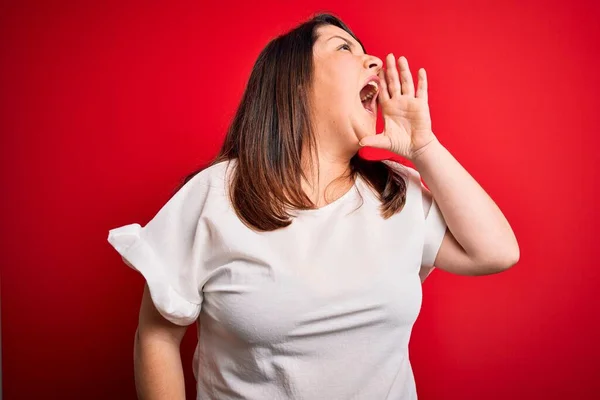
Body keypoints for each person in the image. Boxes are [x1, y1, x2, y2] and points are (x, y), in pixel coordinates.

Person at [107, 12, 520, 400]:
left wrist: (423, 146)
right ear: (295, 83)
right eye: (345, 48)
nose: (373, 60)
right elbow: (157, 336)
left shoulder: (396, 192)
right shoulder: (215, 195)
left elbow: (496, 253)